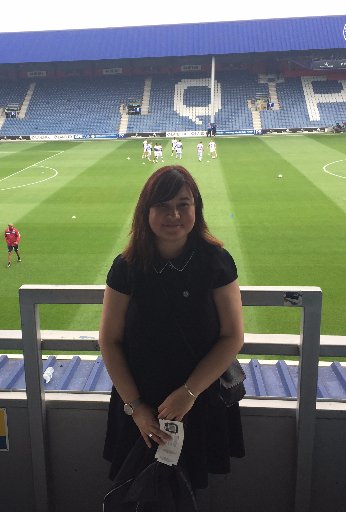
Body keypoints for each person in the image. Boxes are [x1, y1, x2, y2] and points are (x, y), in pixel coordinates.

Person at [99, 165, 245, 495]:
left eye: (183, 204)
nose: (174, 215)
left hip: (199, 398)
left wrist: (188, 394)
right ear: (145, 211)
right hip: (138, 401)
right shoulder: (126, 267)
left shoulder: (216, 262)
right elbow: (110, 341)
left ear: (197, 207)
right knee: (135, 488)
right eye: (162, 206)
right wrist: (137, 409)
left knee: (192, 489)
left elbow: (232, 336)